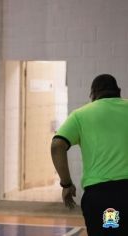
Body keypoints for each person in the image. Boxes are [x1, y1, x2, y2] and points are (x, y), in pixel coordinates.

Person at [51, 74, 128, 236]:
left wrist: (66, 184)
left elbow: (57, 146)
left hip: (103, 196)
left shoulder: (81, 115)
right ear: (118, 91)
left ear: (92, 94)